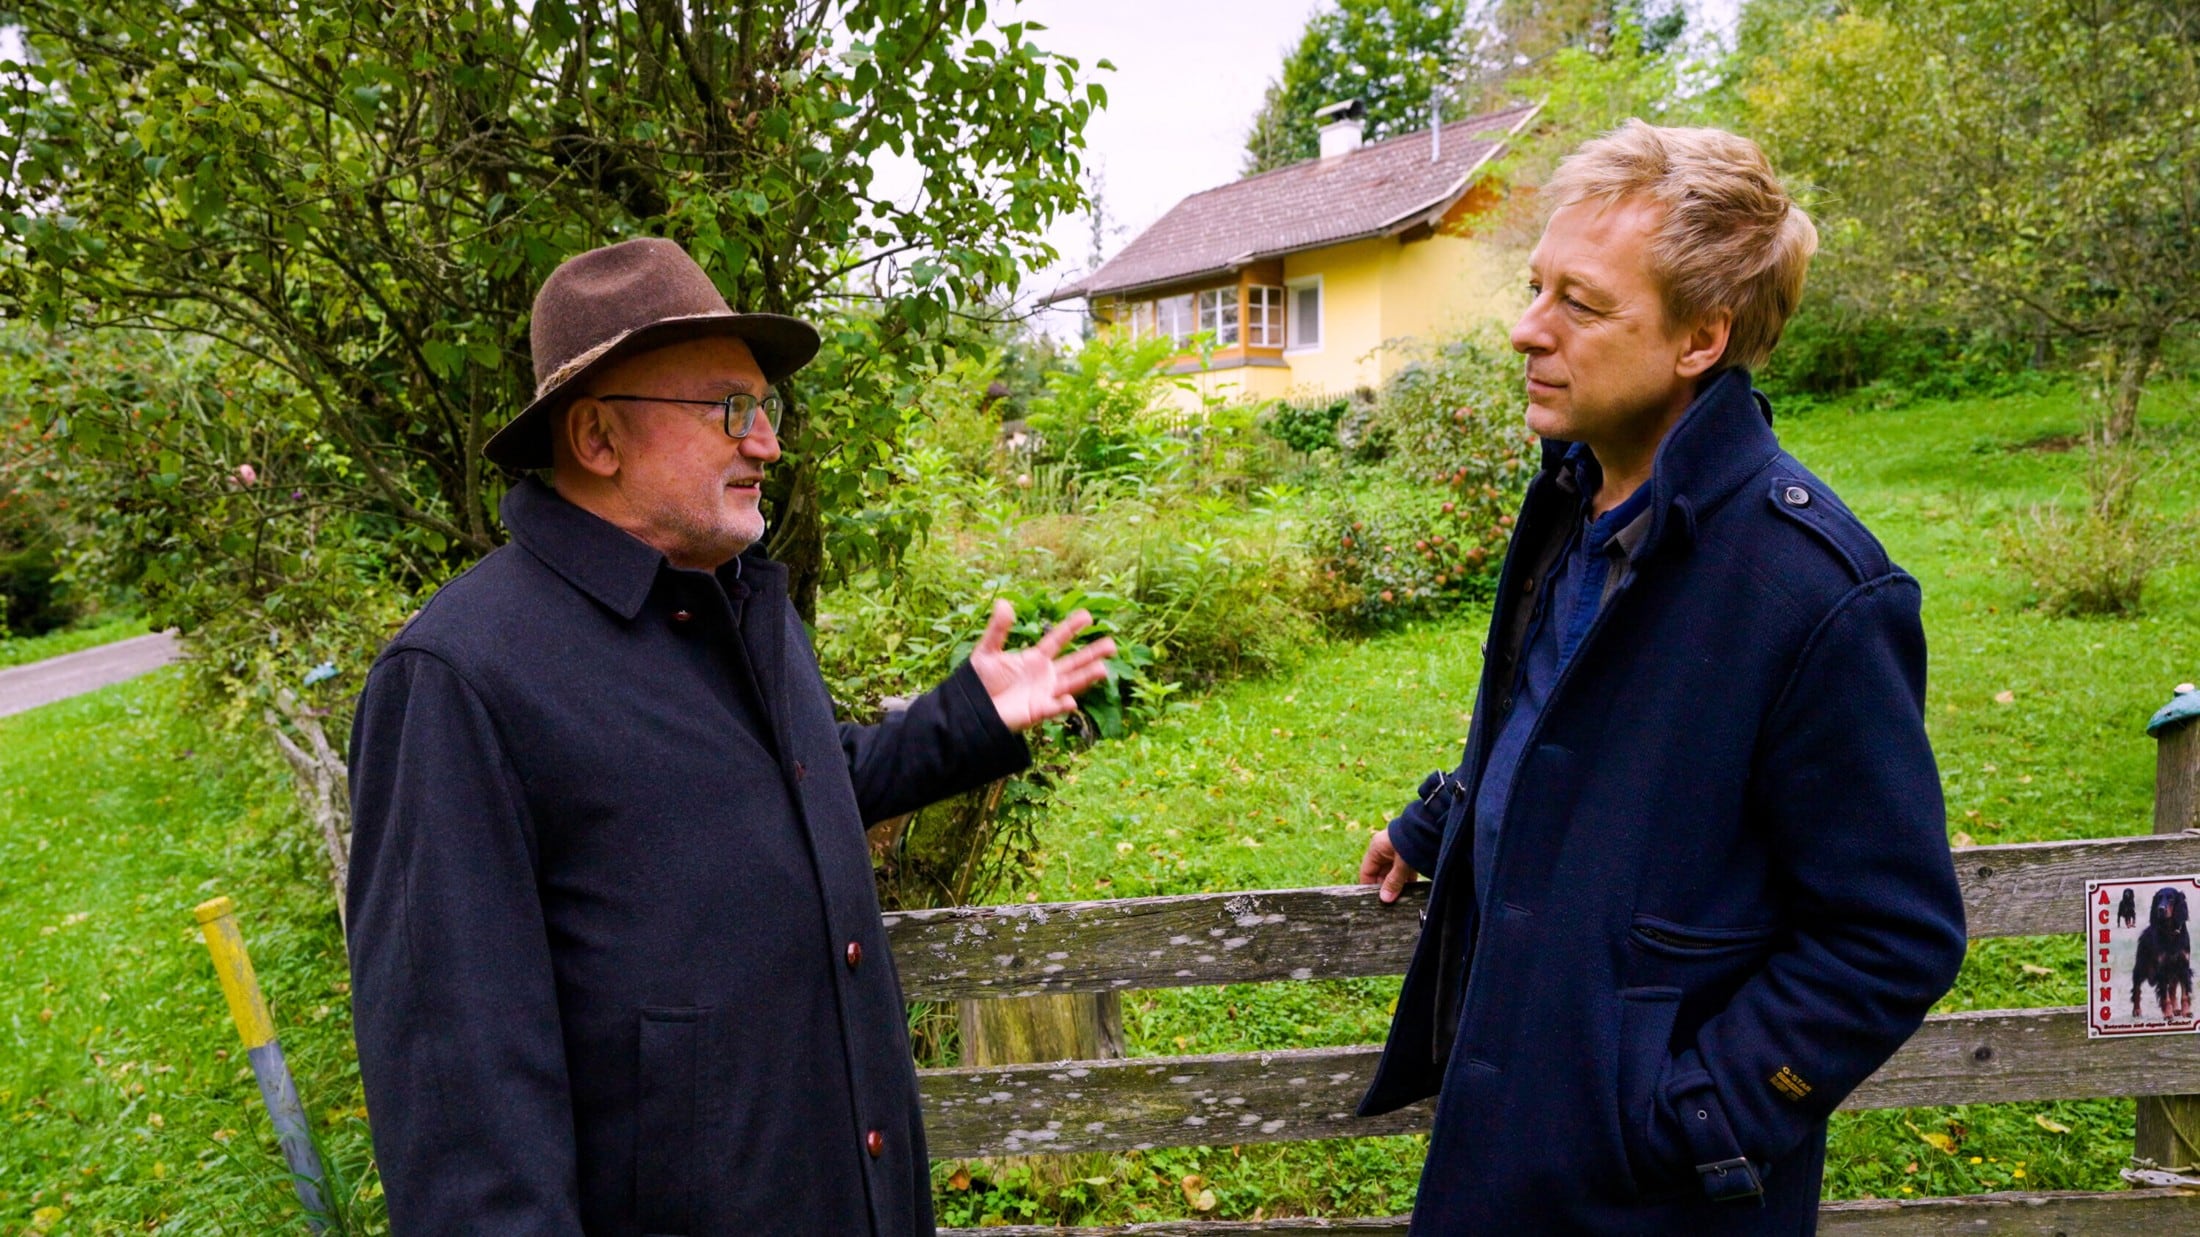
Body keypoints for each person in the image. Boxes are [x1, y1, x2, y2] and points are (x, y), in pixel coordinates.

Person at [345, 237, 1115, 1236]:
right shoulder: (458, 680)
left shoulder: (735, 600)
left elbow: (791, 789)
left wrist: (966, 718)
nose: (768, 444)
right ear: (597, 437)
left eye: (767, 409)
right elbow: (462, 1117)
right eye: (730, 410)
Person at [1354, 121, 1967, 1232]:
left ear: (1700, 338)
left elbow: (1891, 934)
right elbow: (1581, 716)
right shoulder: (1572, 501)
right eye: (1536, 286)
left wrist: (1691, 1116)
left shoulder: (1814, 590)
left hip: (1651, 1199)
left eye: (1578, 304)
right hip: (1500, 1156)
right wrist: (1450, 814)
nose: (1522, 329)